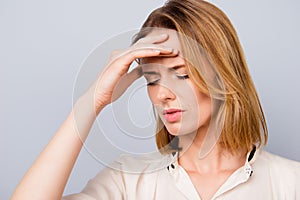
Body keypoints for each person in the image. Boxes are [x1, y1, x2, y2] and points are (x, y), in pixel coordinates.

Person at [12, 0, 300, 199]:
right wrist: (93, 101)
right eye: (152, 79)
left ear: (223, 75)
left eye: (181, 74)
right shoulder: (129, 180)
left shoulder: (290, 183)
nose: (162, 94)